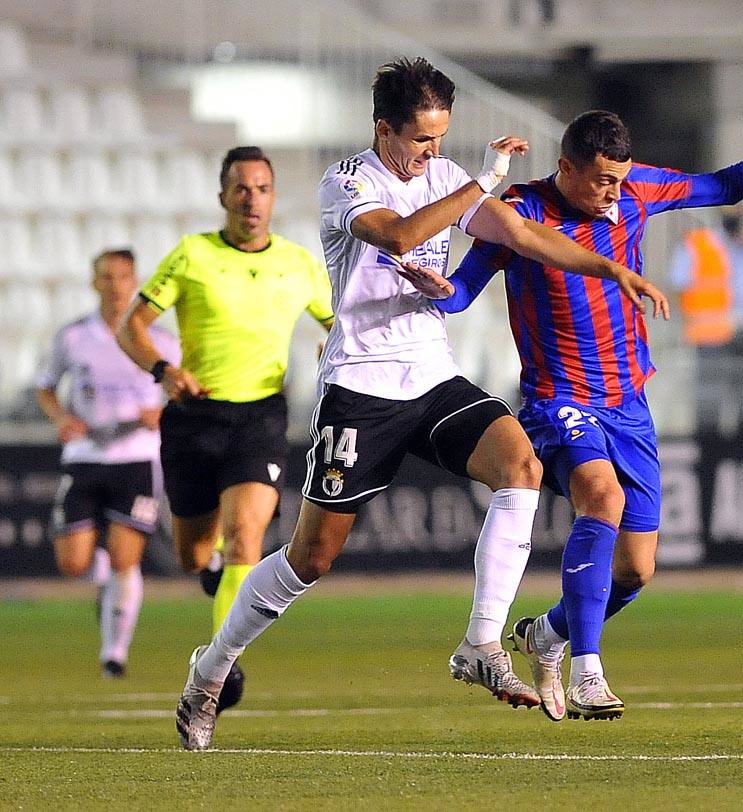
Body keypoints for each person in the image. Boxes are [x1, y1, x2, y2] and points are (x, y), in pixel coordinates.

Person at [173, 56, 666, 751]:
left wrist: (609, 266)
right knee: (312, 557)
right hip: (360, 387)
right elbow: (398, 235)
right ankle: (212, 669)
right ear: (384, 129)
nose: (431, 154)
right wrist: (482, 182)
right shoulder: (347, 180)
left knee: (519, 467)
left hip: (430, 375)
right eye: (421, 141)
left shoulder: (440, 177)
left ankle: (480, 643)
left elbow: (524, 236)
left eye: (440, 140)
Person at [406, 95, 743, 721]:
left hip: (628, 401)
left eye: (618, 179)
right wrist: (437, 291)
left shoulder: (636, 190)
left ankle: (547, 634)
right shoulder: (518, 213)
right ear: (567, 167)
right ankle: (588, 673)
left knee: (637, 569)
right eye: (600, 179)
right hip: (558, 401)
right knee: (601, 498)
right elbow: (464, 291)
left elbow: (722, 186)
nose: (611, 192)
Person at [117, 146, 335, 709]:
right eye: (241, 189)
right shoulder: (192, 255)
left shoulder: (298, 263)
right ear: (223, 197)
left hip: (260, 414)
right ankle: (209, 567)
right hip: (195, 417)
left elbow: (342, 325)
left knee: (247, 537)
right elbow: (132, 326)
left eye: (262, 189)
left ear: (272, 197)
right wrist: (164, 370)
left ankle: (222, 663)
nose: (251, 200)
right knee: (192, 554)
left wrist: (332, 344)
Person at [36, 248, 179, 678]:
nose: (115, 286)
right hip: (85, 456)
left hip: (135, 456)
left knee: (124, 558)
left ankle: (113, 653)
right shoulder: (74, 336)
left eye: (123, 277)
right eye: (107, 277)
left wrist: (164, 412)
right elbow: (45, 387)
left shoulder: (162, 340)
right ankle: (103, 586)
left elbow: (182, 390)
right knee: (73, 564)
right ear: (95, 282)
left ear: (135, 282)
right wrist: (62, 417)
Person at [669, 204, 743, 436]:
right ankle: (710, 454)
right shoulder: (698, 244)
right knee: (709, 404)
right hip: (711, 335)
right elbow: (679, 284)